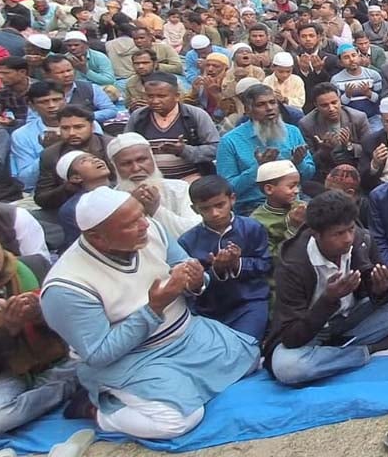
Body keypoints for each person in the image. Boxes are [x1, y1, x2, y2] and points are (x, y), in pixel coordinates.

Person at [41, 187, 259, 439]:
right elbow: (98, 354)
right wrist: (154, 308)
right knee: (176, 422)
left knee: (250, 358)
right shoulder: (66, 287)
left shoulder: (151, 230)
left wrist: (196, 281)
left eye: (142, 215)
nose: (144, 225)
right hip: (135, 360)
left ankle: (179, 388)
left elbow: (183, 266)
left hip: (186, 335)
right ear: (97, 237)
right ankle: (97, 410)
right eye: (130, 224)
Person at [264, 190, 388, 386]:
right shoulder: (292, 264)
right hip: (310, 332)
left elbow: (375, 293)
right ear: (316, 234)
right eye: (338, 234)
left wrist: (382, 289)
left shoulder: (362, 240)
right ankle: (369, 349)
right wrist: (328, 300)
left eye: (350, 229)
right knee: (288, 369)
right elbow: (291, 337)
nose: (348, 238)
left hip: (349, 320)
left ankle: (332, 352)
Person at [0, 229, 77, 436]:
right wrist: (9, 330)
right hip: (5, 370)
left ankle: (70, 379)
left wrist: (40, 315)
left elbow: (74, 323)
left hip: (58, 358)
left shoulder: (33, 267)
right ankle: (66, 384)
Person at [177, 176, 272, 340]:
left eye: (220, 205)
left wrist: (237, 264)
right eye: (206, 208)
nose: (215, 213)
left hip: (250, 301)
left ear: (232, 199)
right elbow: (190, 286)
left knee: (245, 344)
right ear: (195, 209)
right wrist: (215, 271)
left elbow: (265, 264)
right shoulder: (188, 241)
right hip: (209, 308)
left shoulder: (251, 228)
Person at [216, 84, 315, 214]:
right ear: (248, 110)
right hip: (253, 205)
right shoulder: (230, 141)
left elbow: (309, 174)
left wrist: (298, 163)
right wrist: (259, 168)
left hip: (294, 200)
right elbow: (228, 189)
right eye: (261, 104)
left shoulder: (292, 132)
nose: (269, 108)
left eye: (272, 102)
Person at [125, 73, 220, 181]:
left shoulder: (196, 115)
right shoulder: (138, 117)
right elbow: (125, 149)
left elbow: (216, 149)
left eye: (161, 96)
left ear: (177, 96)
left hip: (192, 179)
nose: (155, 101)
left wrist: (184, 151)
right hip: (151, 181)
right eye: (150, 96)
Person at [108, 132, 200, 239]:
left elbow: (194, 230)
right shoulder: (111, 201)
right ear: (115, 167)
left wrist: (156, 209)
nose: (136, 168)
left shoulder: (179, 189)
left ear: (152, 158)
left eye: (141, 160)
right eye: (126, 164)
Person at [33, 104, 109, 216]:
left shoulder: (109, 146)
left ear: (92, 127)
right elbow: (41, 198)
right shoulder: (51, 154)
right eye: (65, 128)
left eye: (78, 127)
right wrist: (67, 188)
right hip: (71, 209)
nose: (72, 133)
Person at [299, 83, 370, 183]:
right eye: (324, 105)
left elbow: (368, 150)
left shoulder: (358, 117)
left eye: (334, 102)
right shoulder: (307, 124)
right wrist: (324, 150)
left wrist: (349, 145)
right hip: (325, 170)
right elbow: (309, 160)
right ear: (316, 106)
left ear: (340, 100)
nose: (331, 108)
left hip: (354, 166)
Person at [249, 159, 306, 258]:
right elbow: (272, 259)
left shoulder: (302, 206)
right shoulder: (257, 221)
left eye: (298, 185)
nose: (297, 191)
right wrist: (293, 228)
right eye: (291, 186)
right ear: (269, 189)